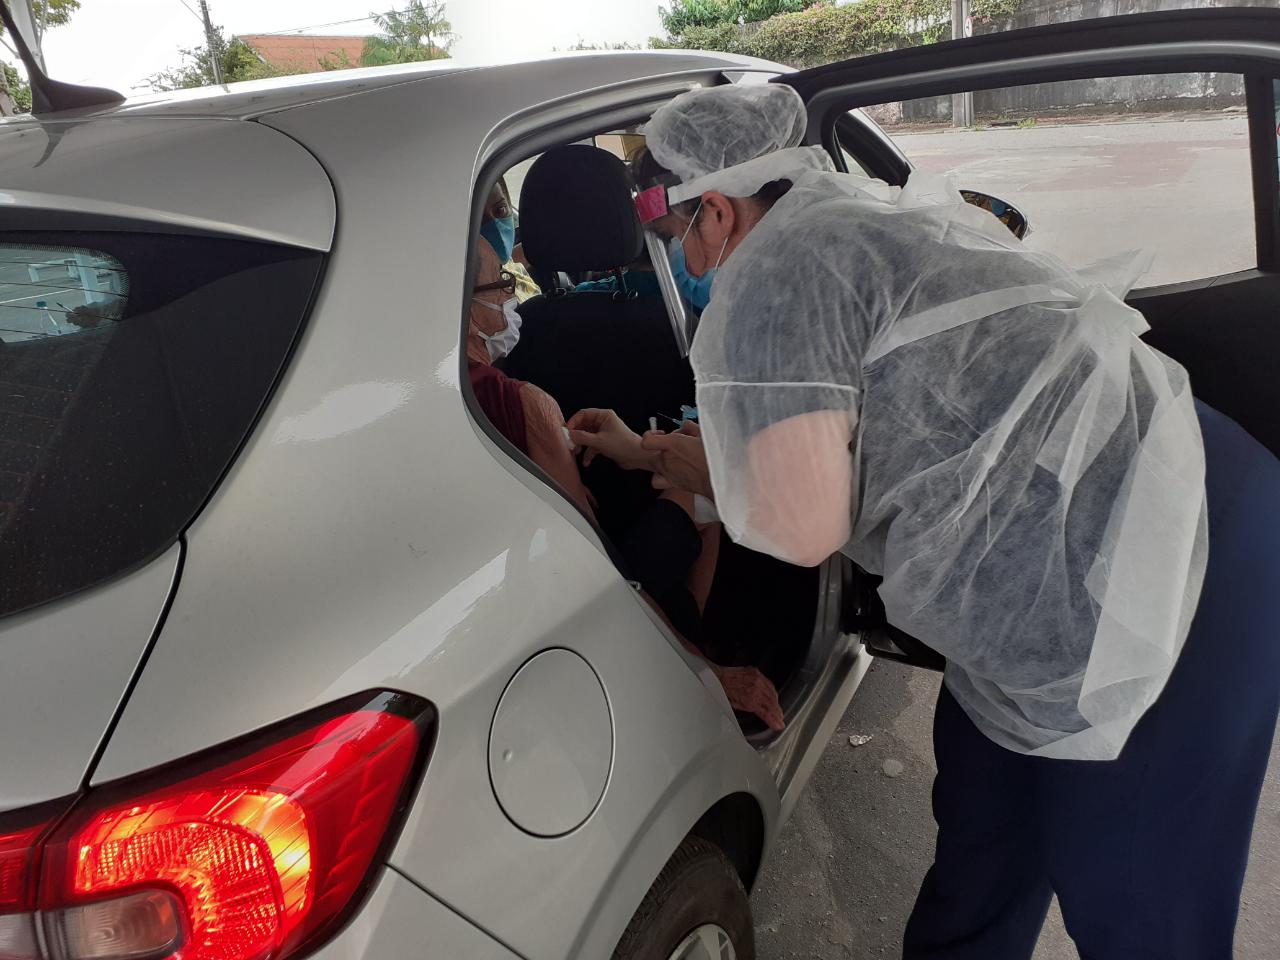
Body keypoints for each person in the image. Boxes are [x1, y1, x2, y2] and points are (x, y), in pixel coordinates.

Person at [570, 83, 1280, 959]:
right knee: (984, 833)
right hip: (1083, 519)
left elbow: (801, 524)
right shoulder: (840, 210)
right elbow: (857, 435)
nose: (682, 258)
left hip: (1168, 550)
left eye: (678, 237)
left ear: (714, 208)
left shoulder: (772, 283)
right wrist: (652, 455)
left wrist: (680, 469)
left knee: (1140, 892)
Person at [468, 225, 784, 731]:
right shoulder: (525, 403)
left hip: (501, 596)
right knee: (700, 499)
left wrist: (640, 454)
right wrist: (706, 674)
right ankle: (689, 640)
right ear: (466, 311)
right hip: (593, 604)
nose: (511, 293)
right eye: (498, 285)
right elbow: (602, 572)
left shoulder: (443, 385)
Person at [480, 178, 540, 302]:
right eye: (479, 219)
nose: (495, 226)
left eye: (500, 209)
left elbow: (506, 261)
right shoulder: (482, 300)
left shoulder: (502, 266)